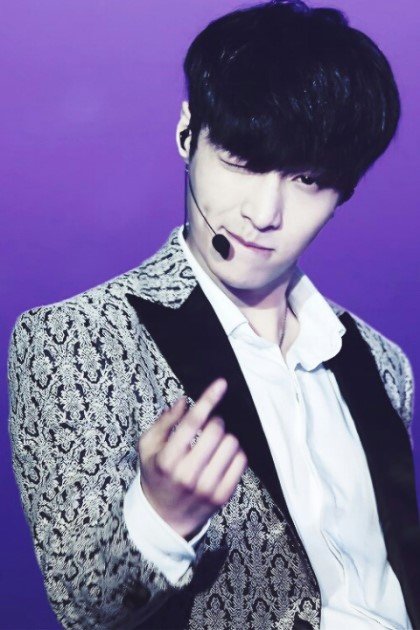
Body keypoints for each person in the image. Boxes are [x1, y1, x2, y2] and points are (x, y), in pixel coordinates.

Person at [7, 1, 420, 628]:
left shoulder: (382, 363)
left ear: (345, 191)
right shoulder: (77, 338)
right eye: (242, 161)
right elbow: (83, 608)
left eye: (308, 179)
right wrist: (160, 518)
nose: (264, 213)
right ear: (187, 133)